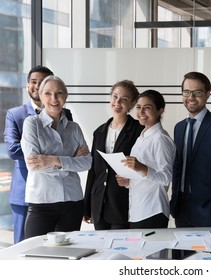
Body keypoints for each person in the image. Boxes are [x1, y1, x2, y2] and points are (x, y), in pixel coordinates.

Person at [4, 65, 72, 243]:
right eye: (33, 82)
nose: (37, 86)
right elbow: (12, 149)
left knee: (57, 247)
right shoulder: (15, 114)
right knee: (23, 246)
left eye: (42, 82)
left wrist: (45, 155)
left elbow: (70, 148)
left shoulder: (66, 114)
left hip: (56, 192)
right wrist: (47, 155)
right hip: (24, 189)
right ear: (28, 86)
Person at [20, 75, 91, 238]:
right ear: (41, 96)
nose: (54, 98)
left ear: (65, 97)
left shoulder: (74, 128)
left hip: (73, 202)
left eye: (59, 93)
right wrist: (71, 160)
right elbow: (34, 164)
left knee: (68, 254)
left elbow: (87, 162)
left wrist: (53, 160)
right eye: (48, 93)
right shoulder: (32, 124)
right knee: (36, 252)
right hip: (42, 201)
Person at [170, 71, 211, 227]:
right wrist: (174, 198)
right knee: (180, 251)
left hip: (208, 210)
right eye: (186, 92)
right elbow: (177, 167)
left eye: (197, 92)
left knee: (206, 252)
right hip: (181, 209)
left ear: (207, 94)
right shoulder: (179, 128)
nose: (191, 97)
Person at [83, 80, 143, 230]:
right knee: (101, 250)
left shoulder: (138, 130)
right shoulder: (99, 132)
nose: (118, 102)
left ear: (132, 103)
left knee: (121, 250)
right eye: (115, 97)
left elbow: (144, 166)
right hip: (99, 204)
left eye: (124, 99)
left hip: (123, 203)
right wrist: (86, 205)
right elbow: (93, 171)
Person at [116, 90, 175, 228]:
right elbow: (144, 178)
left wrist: (141, 168)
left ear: (160, 110)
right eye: (138, 107)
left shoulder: (160, 139)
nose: (141, 112)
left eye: (147, 107)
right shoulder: (142, 136)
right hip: (137, 211)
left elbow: (167, 177)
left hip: (153, 211)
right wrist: (128, 181)